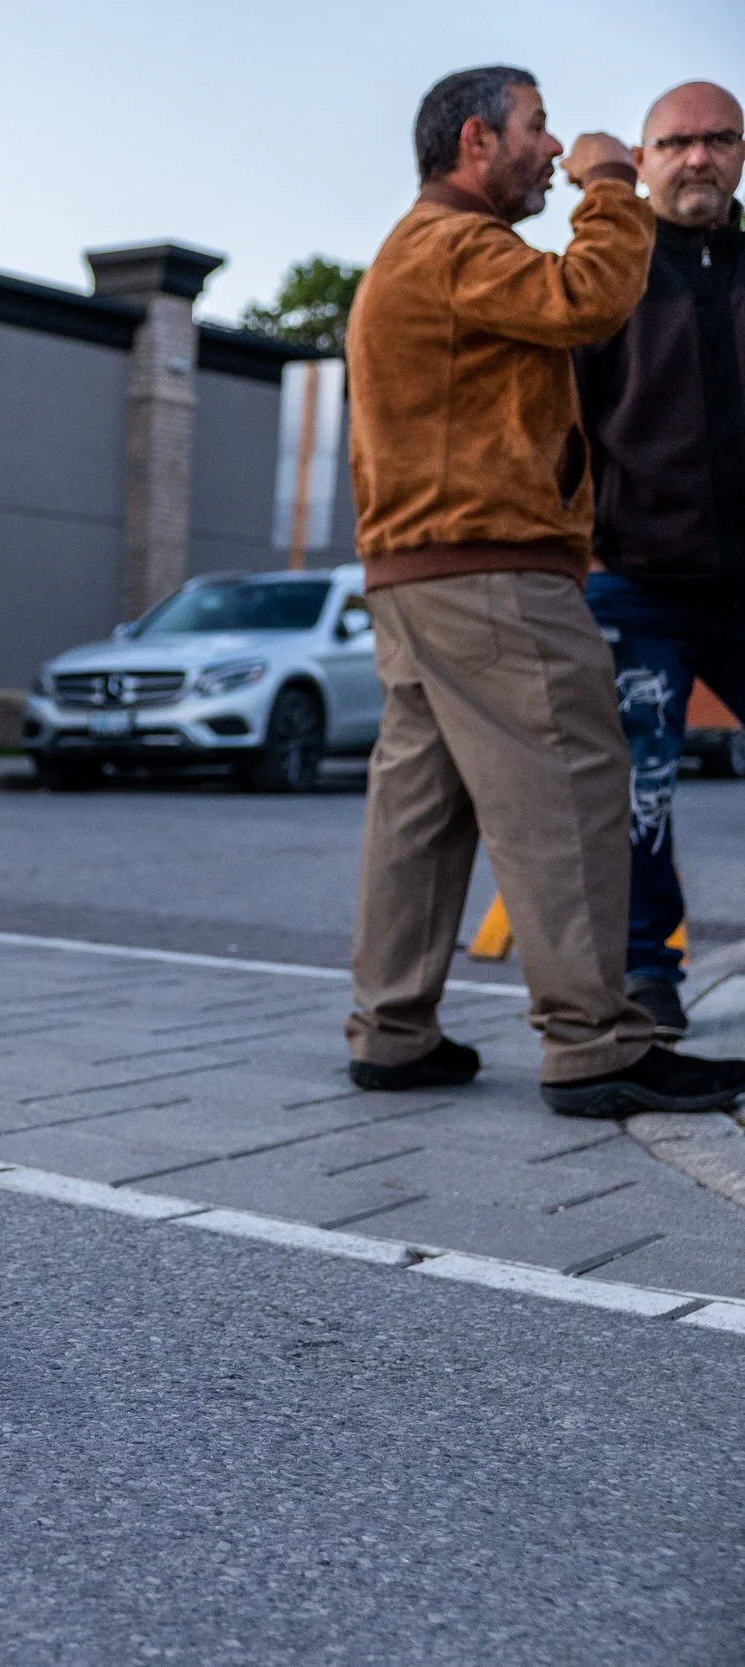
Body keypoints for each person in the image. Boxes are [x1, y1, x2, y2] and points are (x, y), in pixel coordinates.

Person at [345, 65, 745, 1118]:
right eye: (536, 128)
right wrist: (610, 184)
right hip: (491, 567)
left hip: (416, 569)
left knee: (421, 809)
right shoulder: (458, 245)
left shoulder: (411, 249)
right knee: (570, 783)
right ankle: (596, 1043)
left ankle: (392, 1030)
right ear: (477, 141)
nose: (552, 145)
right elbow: (588, 297)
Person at [574, 82, 745, 1043]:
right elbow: (565, 428)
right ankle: (649, 971)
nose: (698, 159)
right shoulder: (609, 277)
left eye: (718, 139)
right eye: (676, 143)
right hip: (636, 582)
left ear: (743, 152)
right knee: (642, 786)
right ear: (642, 162)